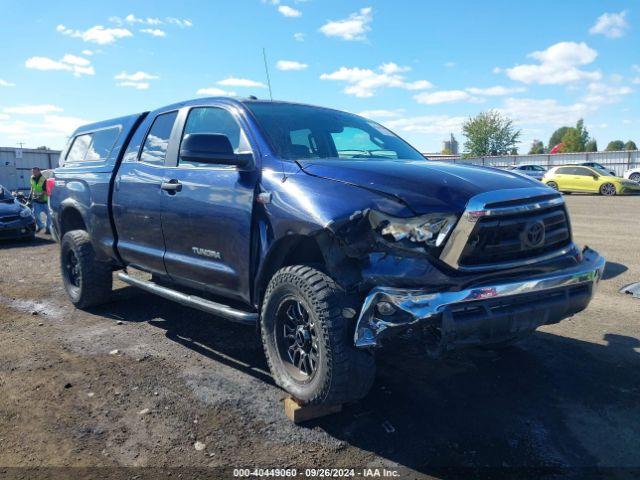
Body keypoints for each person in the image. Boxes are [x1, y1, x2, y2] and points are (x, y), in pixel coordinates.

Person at [29, 166, 51, 234]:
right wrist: (29, 197)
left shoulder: (44, 179)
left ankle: (48, 228)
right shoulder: (32, 178)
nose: (34, 173)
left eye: (35, 172)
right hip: (36, 201)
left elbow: (46, 190)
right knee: (35, 215)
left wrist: (42, 194)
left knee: (49, 216)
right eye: (33, 172)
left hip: (45, 201)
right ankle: (41, 226)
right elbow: (32, 188)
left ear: (39, 171)